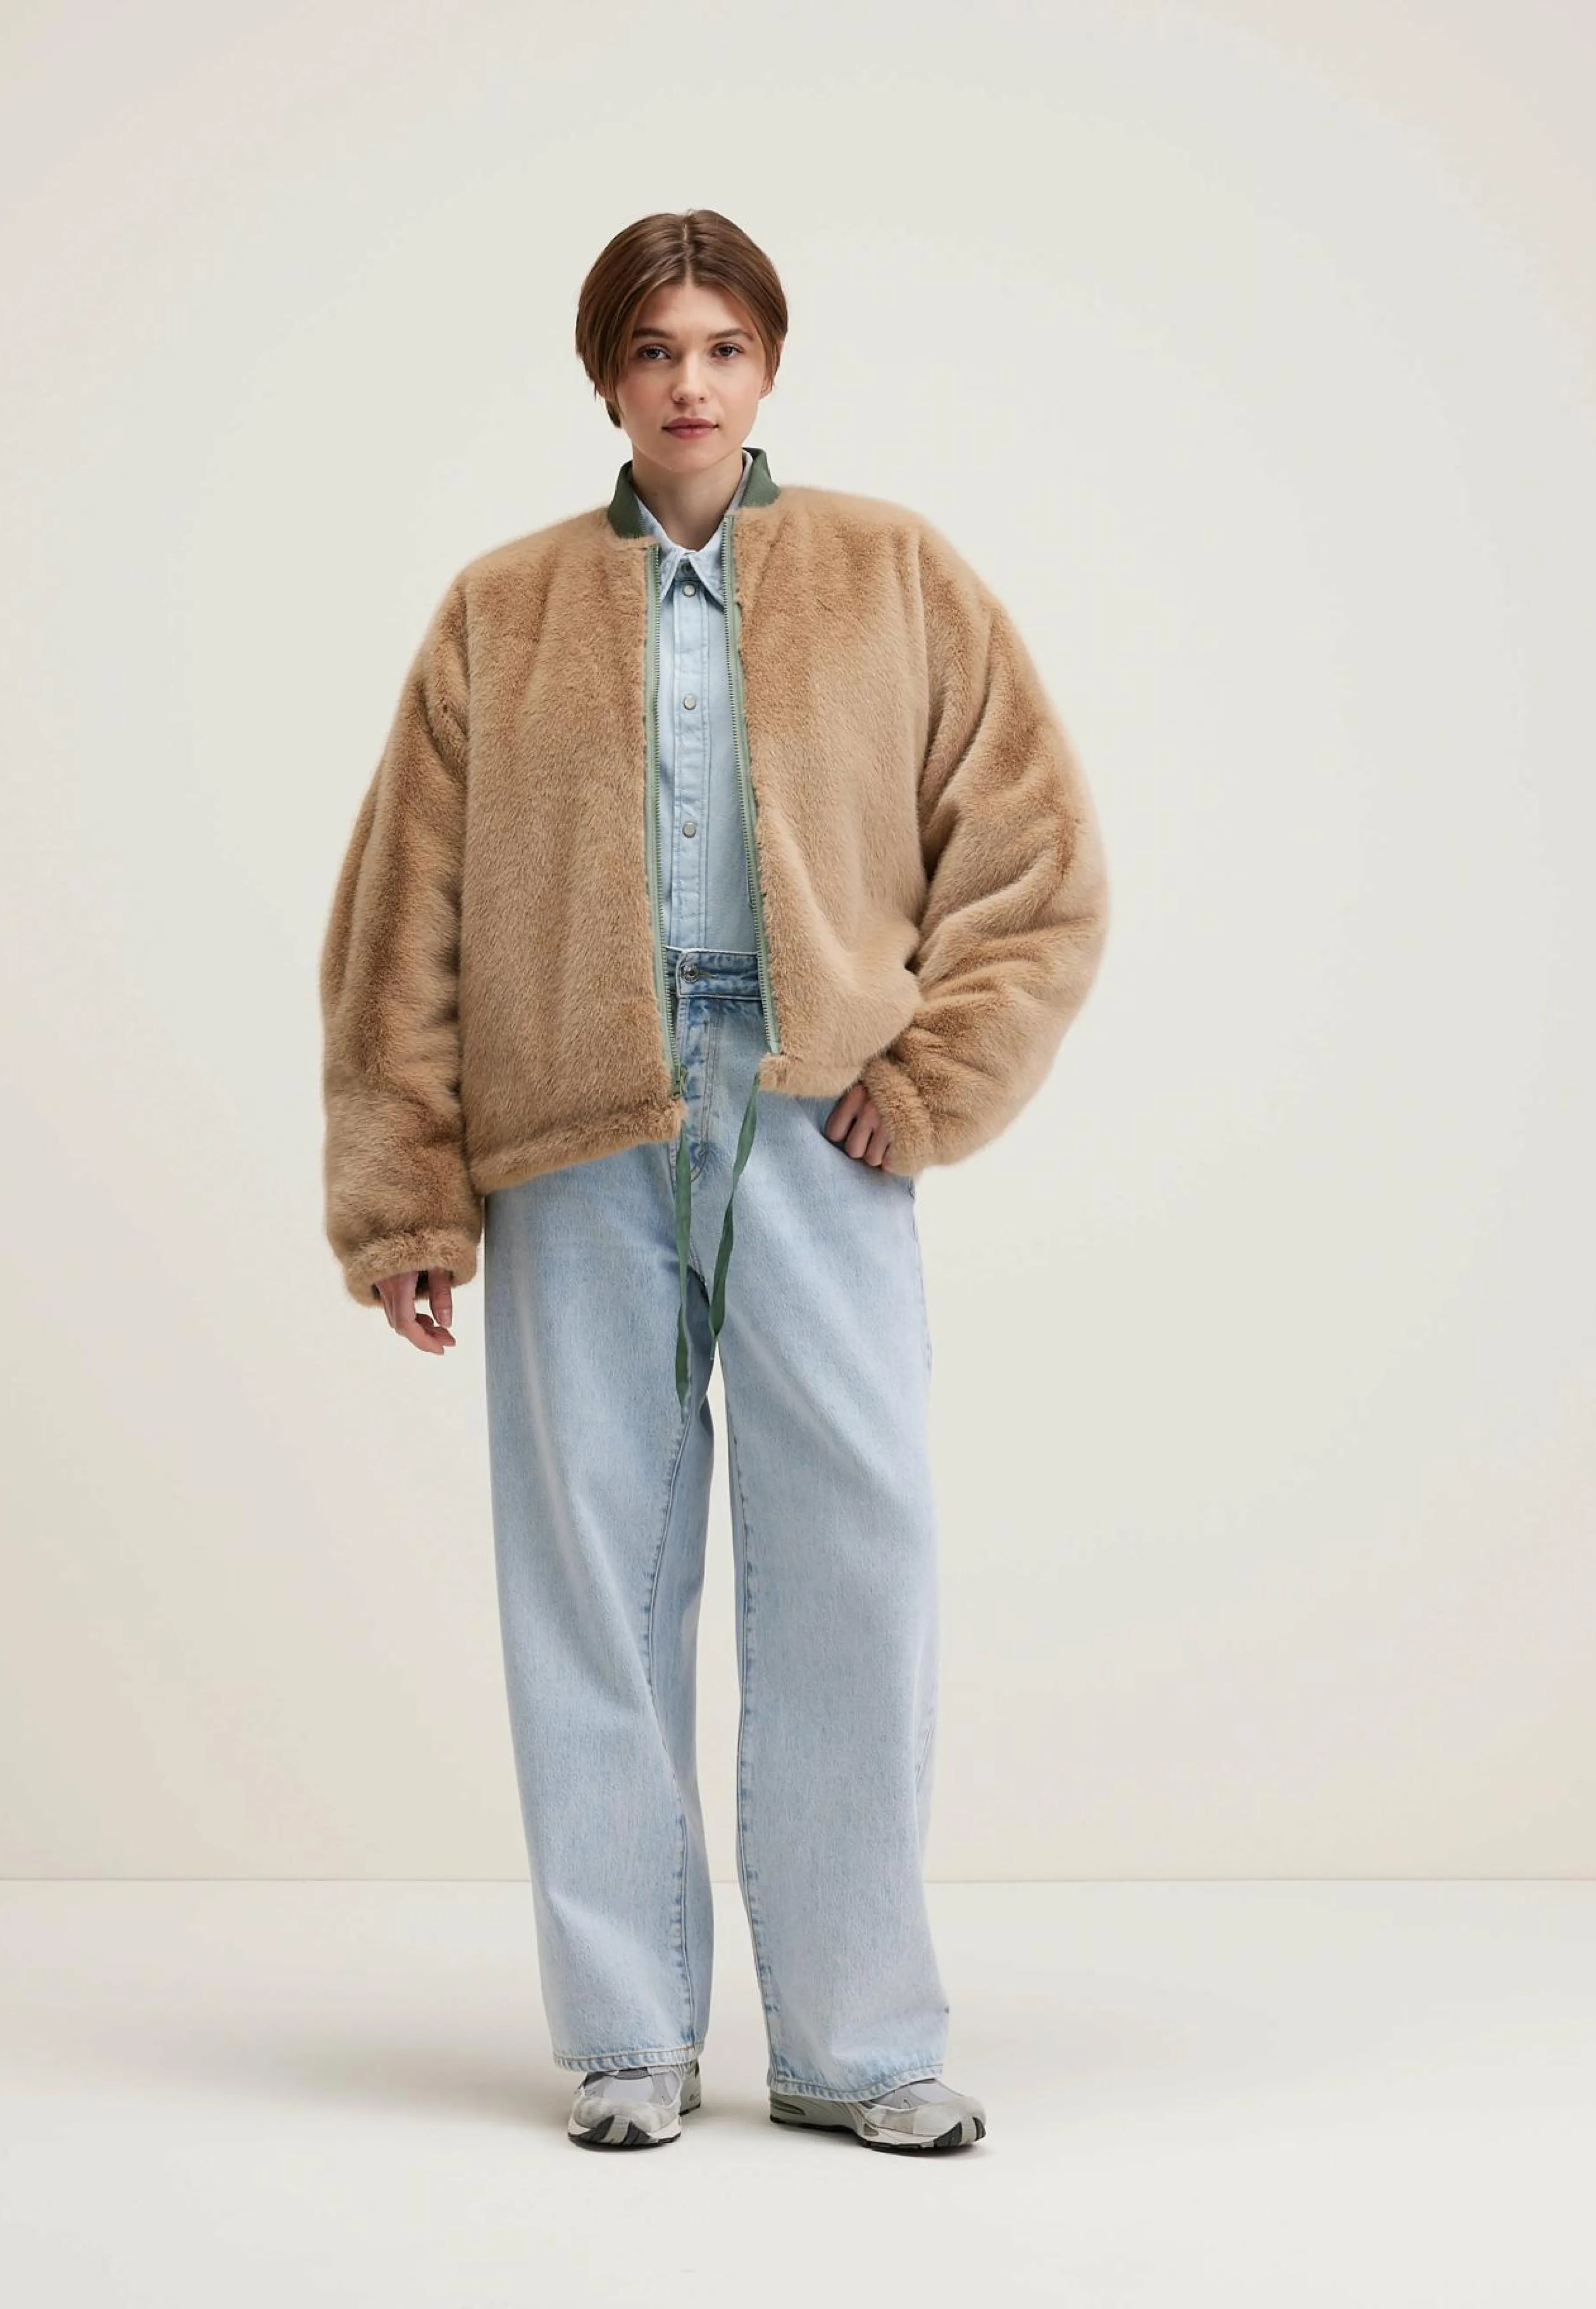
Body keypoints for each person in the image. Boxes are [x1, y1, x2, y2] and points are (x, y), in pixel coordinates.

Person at [318, 209, 1111, 2153]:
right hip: (574, 1142)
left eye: (724, 347)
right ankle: (626, 2033)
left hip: (818, 1129)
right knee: (592, 1579)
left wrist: (927, 1080)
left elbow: (1035, 864)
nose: (690, 381)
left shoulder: (891, 574)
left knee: (859, 1565)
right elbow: (400, 928)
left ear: (768, 368)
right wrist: (407, 1200)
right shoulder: (498, 612)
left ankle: (858, 2042)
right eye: (657, 348)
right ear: (606, 375)